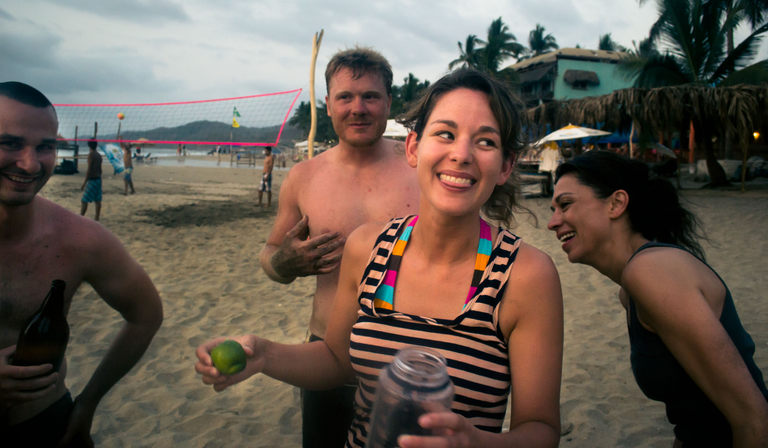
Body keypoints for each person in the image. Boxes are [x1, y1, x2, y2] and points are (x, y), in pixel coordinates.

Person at [197, 68, 564, 447]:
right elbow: (337, 363)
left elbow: (540, 430)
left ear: (505, 165)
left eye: (485, 141)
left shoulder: (526, 276)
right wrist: (263, 355)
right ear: (413, 148)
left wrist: (475, 444)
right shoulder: (368, 246)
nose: (461, 154)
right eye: (445, 134)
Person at [254, 46, 419, 447]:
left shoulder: (420, 169)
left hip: (410, 359)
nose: (357, 108)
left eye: (370, 96)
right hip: (327, 351)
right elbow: (270, 255)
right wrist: (285, 263)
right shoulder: (304, 177)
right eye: (345, 97)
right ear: (328, 105)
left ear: (389, 104)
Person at [547, 150, 768, 447]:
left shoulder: (652, 271)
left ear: (616, 203)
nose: (553, 222)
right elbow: (694, 419)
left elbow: (755, 419)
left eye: (565, 205)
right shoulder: (631, 290)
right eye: (553, 209)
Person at [0, 81, 164, 446]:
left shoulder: (81, 240)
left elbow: (147, 315)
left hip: (43, 422)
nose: (29, 163)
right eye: (10, 143)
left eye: (46, 147)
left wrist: (88, 402)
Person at [80, 139, 102, 221]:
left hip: (92, 180)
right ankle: (97, 218)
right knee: (97, 200)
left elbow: (89, 170)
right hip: (98, 179)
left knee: (84, 200)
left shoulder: (91, 155)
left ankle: (81, 217)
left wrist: (84, 183)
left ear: (89, 146)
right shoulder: (99, 155)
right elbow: (100, 170)